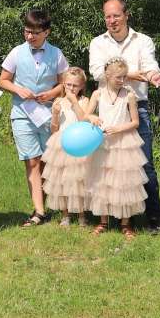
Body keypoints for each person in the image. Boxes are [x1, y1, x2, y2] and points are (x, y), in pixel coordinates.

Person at [87, 0, 160, 231]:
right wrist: (130, 74)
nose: (111, 21)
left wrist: (154, 77)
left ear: (126, 15)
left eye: (116, 16)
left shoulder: (143, 41)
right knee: (106, 166)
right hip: (107, 109)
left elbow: (150, 67)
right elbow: (96, 73)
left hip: (136, 107)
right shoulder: (98, 43)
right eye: (107, 17)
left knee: (144, 165)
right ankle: (107, 217)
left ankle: (153, 218)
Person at [0, 8, 69, 227]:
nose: (30, 36)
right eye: (27, 31)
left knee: (48, 161)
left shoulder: (56, 54)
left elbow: (66, 83)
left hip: (49, 115)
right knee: (32, 160)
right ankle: (39, 211)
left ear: (46, 32)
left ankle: (49, 203)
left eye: (35, 33)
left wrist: (52, 93)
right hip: (22, 114)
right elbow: (3, 81)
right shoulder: (16, 52)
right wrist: (18, 90)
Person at [89, 58, 147, 238]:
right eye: (118, 77)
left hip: (123, 143)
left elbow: (135, 122)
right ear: (107, 75)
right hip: (104, 143)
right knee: (103, 181)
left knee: (124, 183)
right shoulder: (98, 94)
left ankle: (125, 222)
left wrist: (118, 128)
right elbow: (86, 114)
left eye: (124, 77)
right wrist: (93, 118)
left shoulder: (128, 95)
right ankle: (103, 221)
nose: (122, 80)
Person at [42, 68, 95, 228]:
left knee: (79, 182)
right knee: (62, 181)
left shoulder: (84, 101)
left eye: (75, 86)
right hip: (61, 144)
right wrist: (56, 115)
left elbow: (84, 120)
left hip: (79, 144)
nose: (71, 89)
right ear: (63, 84)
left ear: (82, 86)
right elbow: (54, 129)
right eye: (68, 85)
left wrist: (73, 101)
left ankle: (81, 215)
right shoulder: (58, 102)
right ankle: (65, 215)